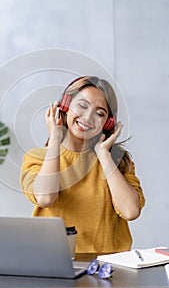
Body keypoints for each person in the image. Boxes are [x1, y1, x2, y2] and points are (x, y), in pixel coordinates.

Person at [20, 76, 145, 253]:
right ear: (65, 106)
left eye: (100, 113)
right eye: (82, 105)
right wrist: (55, 140)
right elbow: (46, 198)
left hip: (108, 268)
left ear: (108, 122)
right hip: (55, 262)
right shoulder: (37, 158)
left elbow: (131, 211)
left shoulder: (118, 161)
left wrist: (104, 155)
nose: (88, 117)